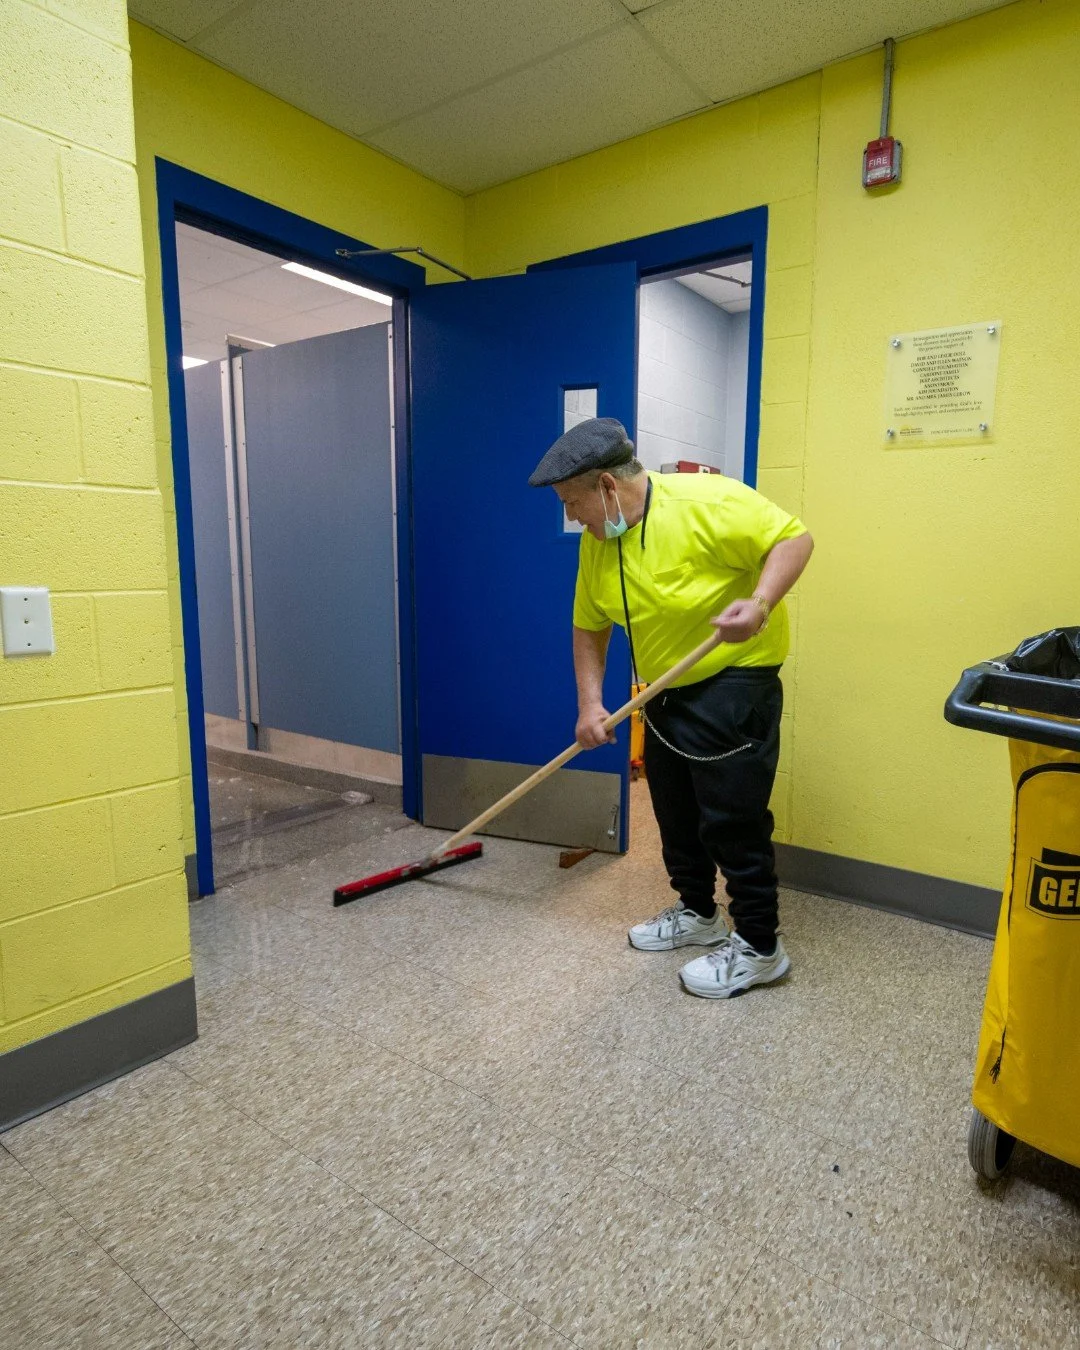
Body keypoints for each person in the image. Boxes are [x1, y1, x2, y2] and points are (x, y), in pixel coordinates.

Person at [529, 417, 813, 998]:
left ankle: (761, 947)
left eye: (572, 502)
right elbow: (590, 624)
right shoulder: (599, 543)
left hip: (733, 678)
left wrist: (759, 604)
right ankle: (698, 914)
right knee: (675, 812)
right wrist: (589, 704)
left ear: (606, 486)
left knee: (730, 821)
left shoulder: (706, 501)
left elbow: (794, 538)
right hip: (660, 689)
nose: (572, 517)